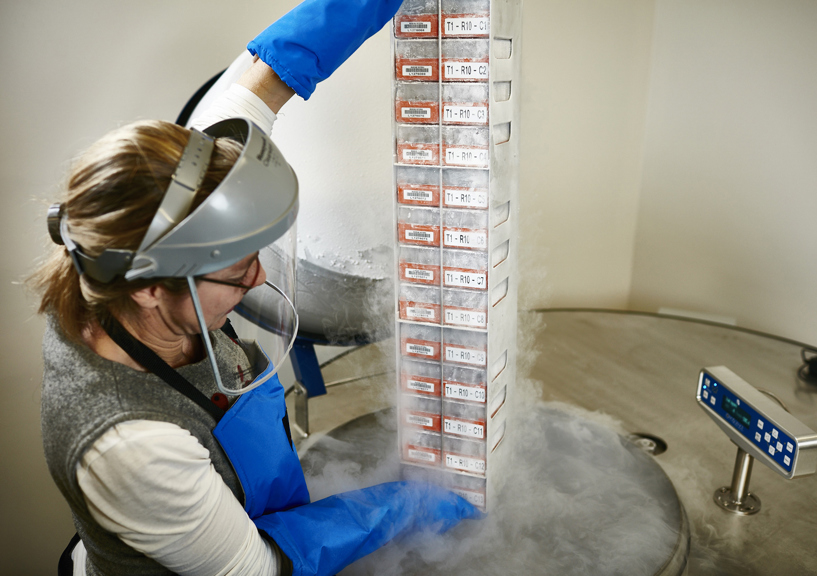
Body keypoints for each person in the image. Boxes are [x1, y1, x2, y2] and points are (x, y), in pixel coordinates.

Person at [31, 1, 480, 575]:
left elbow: (266, 80)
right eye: (238, 270)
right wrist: (404, 506)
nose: (260, 279)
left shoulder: (170, 204)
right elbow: (257, 567)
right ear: (149, 289)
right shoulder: (131, 447)